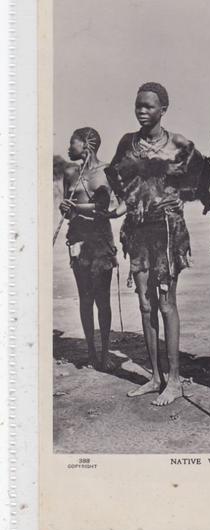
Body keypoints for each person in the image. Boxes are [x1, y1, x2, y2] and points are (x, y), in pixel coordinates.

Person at [106, 82, 210, 406]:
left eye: (149, 106)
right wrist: (127, 199)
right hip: (138, 230)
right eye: (138, 105)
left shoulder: (179, 144)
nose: (141, 111)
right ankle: (155, 377)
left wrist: (193, 196)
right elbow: (114, 173)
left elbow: (205, 175)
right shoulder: (128, 142)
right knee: (145, 303)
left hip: (167, 230)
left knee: (166, 303)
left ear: (163, 109)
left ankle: (176, 380)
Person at [59, 127, 117, 371]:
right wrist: (66, 209)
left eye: (73, 143)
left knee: (102, 298)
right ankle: (91, 353)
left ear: (87, 145)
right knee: (85, 297)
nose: (69, 148)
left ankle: (105, 353)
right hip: (78, 239)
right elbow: (68, 209)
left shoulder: (106, 172)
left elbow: (109, 208)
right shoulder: (70, 172)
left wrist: (81, 209)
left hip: (101, 240)